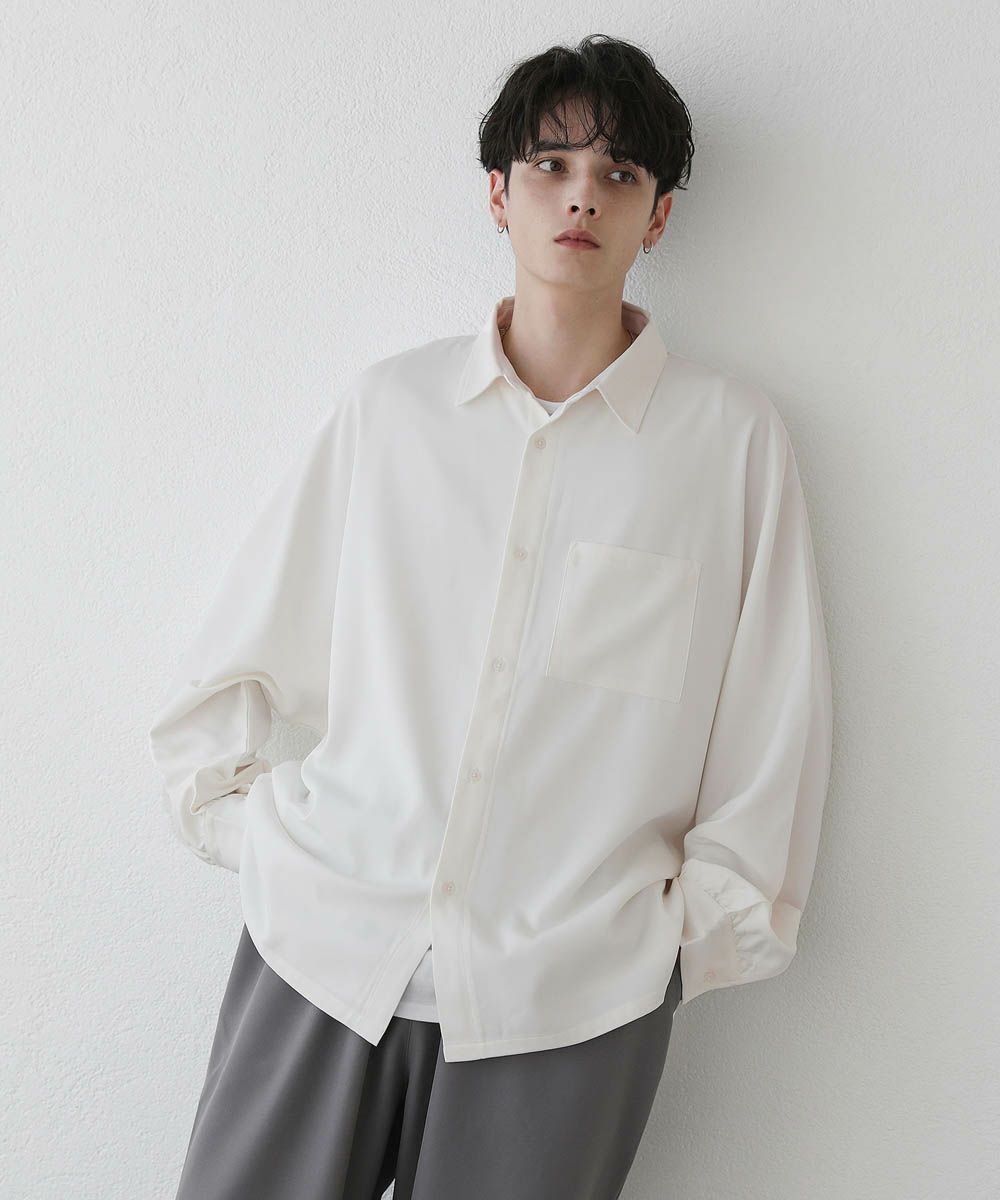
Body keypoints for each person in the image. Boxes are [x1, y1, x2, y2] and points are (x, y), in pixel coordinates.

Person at [148, 32, 833, 1200]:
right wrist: (273, 849)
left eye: (618, 174)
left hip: (568, 997)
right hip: (324, 953)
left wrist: (673, 945)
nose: (581, 197)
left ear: (659, 216)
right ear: (497, 196)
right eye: (549, 166)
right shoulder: (393, 413)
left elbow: (776, 724)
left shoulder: (728, 446)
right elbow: (225, 679)